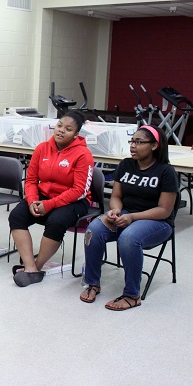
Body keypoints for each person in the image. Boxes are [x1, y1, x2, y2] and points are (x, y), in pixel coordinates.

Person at [80, 125, 178, 310]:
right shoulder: (126, 164)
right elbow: (116, 196)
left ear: (154, 146)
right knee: (93, 229)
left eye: (139, 142)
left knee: (129, 238)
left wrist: (132, 217)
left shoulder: (166, 171)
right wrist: (115, 210)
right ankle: (92, 282)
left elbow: (164, 210)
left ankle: (133, 295)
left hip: (158, 222)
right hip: (127, 215)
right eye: (132, 141)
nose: (133, 146)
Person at [9, 110, 94, 287]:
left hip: (75, 200)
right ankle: (30, 266)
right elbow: (31, 179)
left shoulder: (83, 155)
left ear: (76, 134)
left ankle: (37, 266)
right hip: (43, 196)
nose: (61, 130)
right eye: (60, 125)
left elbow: (79, 190)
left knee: (56, 221)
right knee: (16, 216)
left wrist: (49, 204)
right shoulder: (42, 148)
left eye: (68, 129)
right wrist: (32, 200)